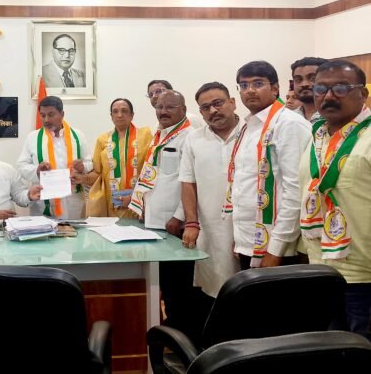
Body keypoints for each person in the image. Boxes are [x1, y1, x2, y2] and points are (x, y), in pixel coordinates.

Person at [298, 60, 371, 339]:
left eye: (341, 88)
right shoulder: (317, 136)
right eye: (321, 89)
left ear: (363, 93)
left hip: (363, 277)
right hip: (321, 271)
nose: (328, 96)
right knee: (330, 348)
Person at [225, 60, 310, 270]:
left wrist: (275, 250)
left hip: (277, 248)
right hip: (250, 241)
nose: (250, 90)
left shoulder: (288, 123)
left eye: (258, 83)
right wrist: (241, 239)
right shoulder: (248, 126)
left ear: (275, 88)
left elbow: (295, 190)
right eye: (244, 85)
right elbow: (244, 183)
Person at [128, 90, 194, 337]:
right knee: (166, 282)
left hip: (173, 224)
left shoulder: (189, 136)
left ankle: (184, 335)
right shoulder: (160, 134)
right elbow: (153, 176)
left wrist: (179, 216)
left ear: (183, 110)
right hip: (154, 222)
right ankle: (172, 329)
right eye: (159, 107)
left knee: (179, 284)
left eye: (170, 107)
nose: (163, 111)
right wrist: (142, 205)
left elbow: (190, 181)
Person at [180, 82, 241, 305]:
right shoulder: (194, 139)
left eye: (218, 103)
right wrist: (191, 223)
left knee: (250, 292)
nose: (213, 110)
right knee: (215, 292)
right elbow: (188, 182)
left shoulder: (252, 133)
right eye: (206, 107)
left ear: (232, 102)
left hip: (248, 230)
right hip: (211, 229)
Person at [17, 95, 92, 219]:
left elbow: (89, 162)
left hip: (73, 201)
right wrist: (37, 170)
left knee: (74, 230)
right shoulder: (33, 138)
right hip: (44, 203)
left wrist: (83, 167)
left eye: (51, 114)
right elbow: (21, 166)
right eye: (42, 115)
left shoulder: (78, 136)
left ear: (62, 114)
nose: (46, 119)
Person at [81, 98, 152, 218]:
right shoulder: (102, 140)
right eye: (115, 111)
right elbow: (97, 174)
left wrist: (134, 197)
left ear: (132, 115)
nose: (119, 115)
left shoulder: (145, 135)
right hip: (112, 205)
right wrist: (81, 178)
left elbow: (152, 170)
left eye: (124, 111)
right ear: (111, 116)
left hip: (139, 204)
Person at [291, 56, 328, 122]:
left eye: (313, 78)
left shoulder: (337, 116)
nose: (304, 84)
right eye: (298, 80)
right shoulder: (289, 118)